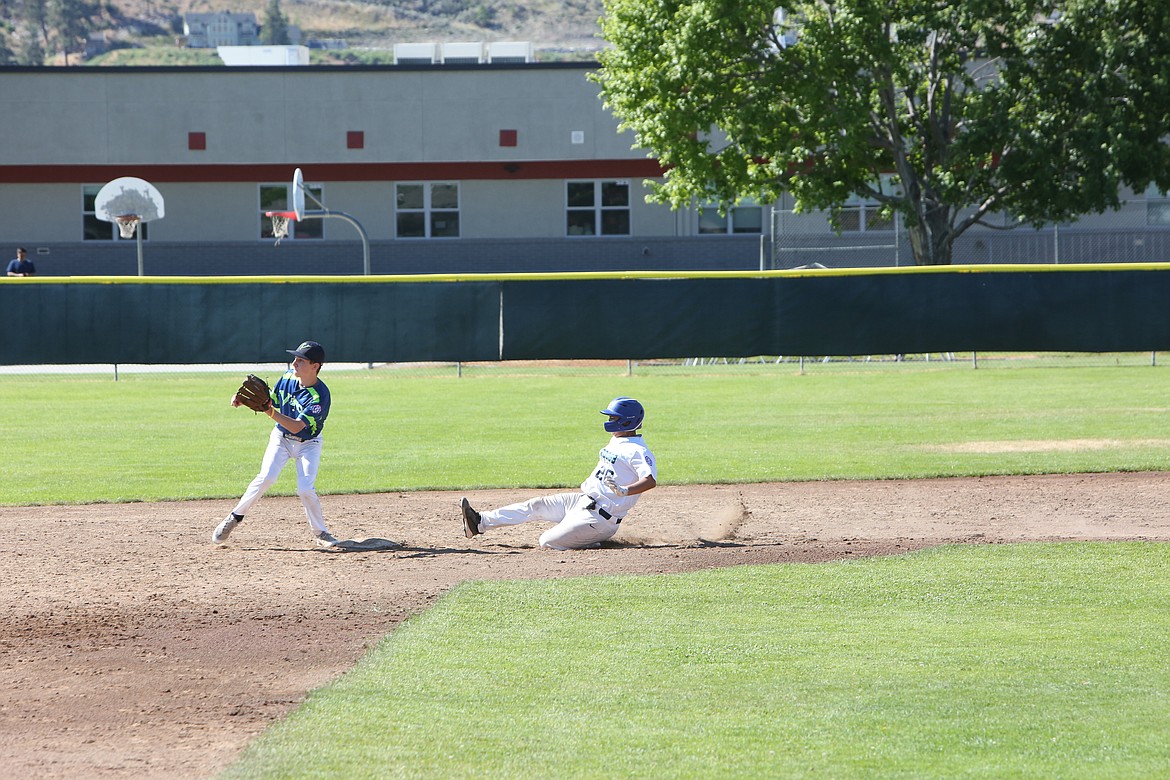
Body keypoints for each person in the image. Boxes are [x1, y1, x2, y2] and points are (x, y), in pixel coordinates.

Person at [460, 397, 657, 550]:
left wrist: (625, 491)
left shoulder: (639, 450)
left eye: (613, 417)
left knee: (546, 541)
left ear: (626, 421)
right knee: (535, 505)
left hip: (600, 519)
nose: (609, 420)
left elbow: (650, 480)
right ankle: (479, 523)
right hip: (580, 501)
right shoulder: (617, 439)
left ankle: (589, 541)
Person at [213, 341, 339, 548]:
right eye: (295, 358)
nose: (294, 363)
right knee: (266, 478)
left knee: (306, 489)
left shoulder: (320, 395)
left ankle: (321, 533)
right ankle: (234, 518)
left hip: (310, 443)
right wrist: (245, 401)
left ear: (315, 366)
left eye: (300, 360)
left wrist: (268, 411)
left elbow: (297, 426)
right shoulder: (288, 378)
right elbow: (271, 401)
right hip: (281, 439)